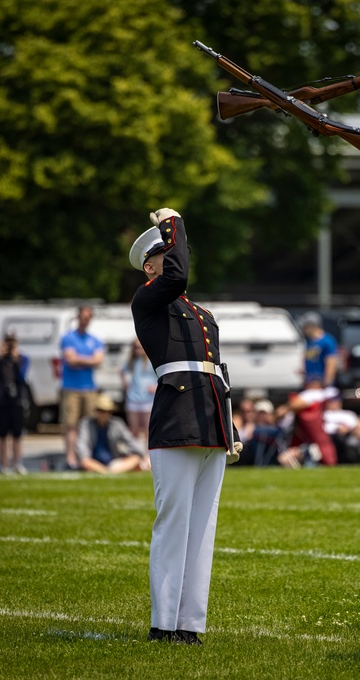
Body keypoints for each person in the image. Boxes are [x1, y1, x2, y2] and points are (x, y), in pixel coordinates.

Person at [128, 208, 242, 645]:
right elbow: (176, 276)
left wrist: (229, 428)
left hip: (210, 422)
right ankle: (163, 622)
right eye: (167, 254)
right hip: (175, 420)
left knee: (203, 527)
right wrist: (173, 221)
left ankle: (190, 623)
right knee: (174, 523)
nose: (176, 261)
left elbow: (217, 372)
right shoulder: (149, 300)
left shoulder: (203, 313)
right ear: (150, 267)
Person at [60, 305, 104, 469]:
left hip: (89, 388)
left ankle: (87, 458)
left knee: (90, 425)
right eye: (84, 317)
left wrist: (80, 360)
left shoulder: (95, 339)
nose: (86, 320)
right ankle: (70, 460)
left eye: (89, 317)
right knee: (71, 425)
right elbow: (70, 360)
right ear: (78, 317)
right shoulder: (68, 337)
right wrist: (88, 360)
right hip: (71, 388)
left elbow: (99, 361)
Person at [76, 394, 146, 474]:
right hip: (93, 461)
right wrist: (87, 460)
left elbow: (131, 441)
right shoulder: (86, 424)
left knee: (135, 459)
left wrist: (143, 455)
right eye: (101, 411)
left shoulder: (117, 424)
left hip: (114, 462)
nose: (104, 414)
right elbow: (82, 447)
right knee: (85, 462)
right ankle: (108, 472)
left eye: (107, 411)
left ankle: (108, 472)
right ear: (96, 411)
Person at [0, 331, 30, 474]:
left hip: (18, 401)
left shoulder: (22, 359)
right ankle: (3, 464)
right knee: (2, 435)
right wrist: (1, 357)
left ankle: (17, 463)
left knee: (17, 435)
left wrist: (15, 358)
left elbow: (22, 376)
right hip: (3, 400)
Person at [122, 339, 158, 445]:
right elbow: (121, 372)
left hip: (148, 399)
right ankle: (136, 454)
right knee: (134, 431)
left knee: (148, 430)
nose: (137, 350)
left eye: (139, 347)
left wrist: (156, 387)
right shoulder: (131, 361)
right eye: (135, 347)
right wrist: (125, 385)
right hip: (133, 398)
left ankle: (147, 456)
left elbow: (161, 375)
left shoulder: (151, 361)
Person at [298, 311, 339, 388]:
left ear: (311, 326)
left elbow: (331, 362)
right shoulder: (308, 342)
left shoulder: (327, 341)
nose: (303, 330)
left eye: (304, 327)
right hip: (309, 384)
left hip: (321, 386)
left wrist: (326, 383)